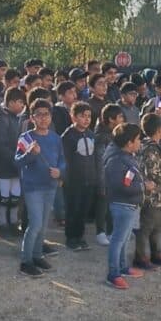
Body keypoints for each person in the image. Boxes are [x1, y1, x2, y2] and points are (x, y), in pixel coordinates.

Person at [15, 98, 65, 277]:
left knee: (43, 225)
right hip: (33, 186)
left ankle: (37, 255)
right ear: (32, 118)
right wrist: (30, 154)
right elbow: (17, 161)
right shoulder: (26, 138)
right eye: (39, 115)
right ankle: (25, 261)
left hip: (50, 185)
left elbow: (62, 160)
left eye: (47, 114)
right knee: (35, 223)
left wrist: (60, 171)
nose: (43, 118)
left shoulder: (55, 138)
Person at [103, 124, 147, 289]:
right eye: (138, 139)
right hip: (122, 204)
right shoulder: (116, 160)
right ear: (129, 142)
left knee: (125, 239)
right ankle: (113, 274)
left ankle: (122, 267)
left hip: (131, 204)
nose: (140, 142)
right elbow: (119, 185)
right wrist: (143, 186)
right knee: (118, 240)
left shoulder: (127, 156)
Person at [134, 113, 161, 269]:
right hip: (151, 194)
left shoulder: (154, 145)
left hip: (158, 195)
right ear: (160, 130)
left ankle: (156, 253)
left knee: (157, 226)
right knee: (146, 227)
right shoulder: (150, 148)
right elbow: (152, 172)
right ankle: (140, 257)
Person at [0, 87, 27, 238]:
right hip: (5, 166)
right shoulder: (1, 118)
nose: (22, 106)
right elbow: (0, 145)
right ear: (11, 102)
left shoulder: (14, 117)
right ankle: (2, 224)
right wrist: (16, 158)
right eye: (20, 102)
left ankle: (13, 223)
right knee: (5, 197)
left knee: (15, 196)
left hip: (15, 165)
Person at [61, 102, 97, 251]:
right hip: (73, 181)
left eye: (89, 116)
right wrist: (65, 179)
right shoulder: (68, 136)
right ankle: (71, 238)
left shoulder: (91, 134)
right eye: (82, 116)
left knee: (83, 210)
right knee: (73, 209)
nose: (86, 119)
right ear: (73, 116)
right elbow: (65, 160)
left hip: (89, 179)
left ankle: (80, 236)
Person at [94, 104, 126, 246]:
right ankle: (100, 232)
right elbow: (101, 161)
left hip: (116, 176)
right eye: (119, 117)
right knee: (102, 205)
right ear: (111, 119)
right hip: (105, 177)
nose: (122, 119)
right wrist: (102, 182)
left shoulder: (117, 135)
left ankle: (112, 230)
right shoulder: (102, 137)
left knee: (113, 205)